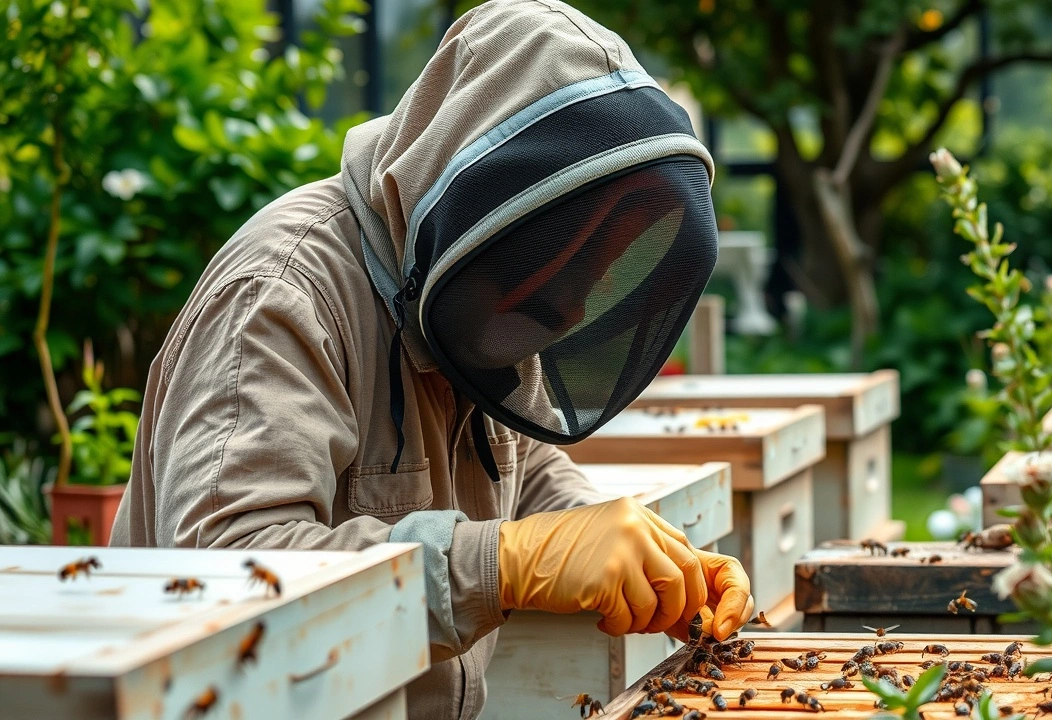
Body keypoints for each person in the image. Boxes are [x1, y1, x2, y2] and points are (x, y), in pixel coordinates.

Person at [109, 0, 753, 717]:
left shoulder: (468, 300)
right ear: (475, 196)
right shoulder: (281, 296)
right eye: (554, 259)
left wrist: (621, 543)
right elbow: (232, 572)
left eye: (594, 270)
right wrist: (507, 562)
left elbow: (520, 459)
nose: (569, 309)